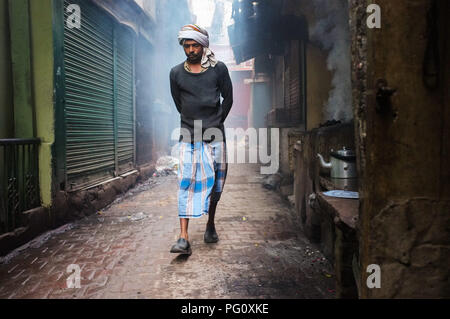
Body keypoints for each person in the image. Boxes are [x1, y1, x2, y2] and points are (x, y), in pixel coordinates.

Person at [169, 24, 233, 255]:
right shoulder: (176, 73)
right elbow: (179, 104)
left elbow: (229, 99)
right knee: (186, 180)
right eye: (187, 46)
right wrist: (193, 122)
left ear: (203, 46)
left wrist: (215, 121)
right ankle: (183, 237)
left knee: (217, 182)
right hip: (188, 135)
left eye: (195, 45)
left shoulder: (219, 70)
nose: (191, 50)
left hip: (215, 135)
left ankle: (210, 224)